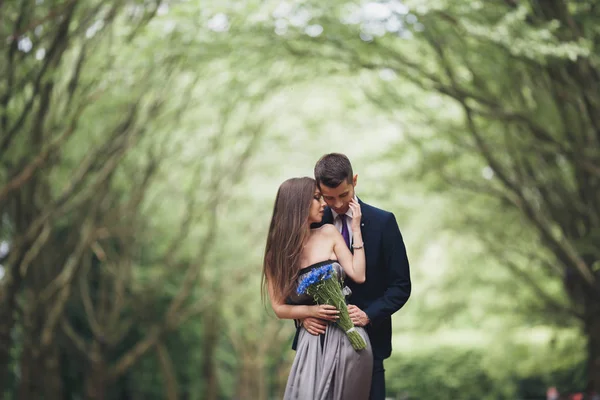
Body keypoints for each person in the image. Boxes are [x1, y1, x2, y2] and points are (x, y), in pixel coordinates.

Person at [297, 153, 412, 400]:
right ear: (318, 189)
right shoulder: (311, 224)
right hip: (318, 343)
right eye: (328, 197)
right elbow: (293, 282)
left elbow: (400, 286)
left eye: (343, 195)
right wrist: (302, 318)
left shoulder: (384, 222)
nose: (337, 204)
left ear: (355, 181)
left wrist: (369, 314)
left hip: (370, 341)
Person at [262, 177, 373, 400]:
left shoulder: (329, 233)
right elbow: (278, 307)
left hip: (350, 340)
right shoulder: (276, 256)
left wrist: (356, 230)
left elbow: (358, 275)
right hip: (313, 339)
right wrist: (308, 313)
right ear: (298, 204)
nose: (323, 203)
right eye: (316, 198)